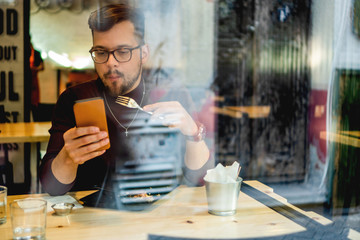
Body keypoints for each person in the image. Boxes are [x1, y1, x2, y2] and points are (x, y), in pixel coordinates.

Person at [40, 4, 212, 199]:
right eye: (101, 52)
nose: (110, 62)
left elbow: (200, 178)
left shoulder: (170, 94)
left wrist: (193, 133)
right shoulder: (75, 98)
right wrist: (68, 157)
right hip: (93, 218)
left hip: (162, 213)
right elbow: (52, 188)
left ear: (144, 53)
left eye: (123, 51)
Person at [29, 40, 44, 121]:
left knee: (35, 102)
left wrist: (34, 69)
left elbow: (42, 67)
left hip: (34, 78)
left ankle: (36, 119)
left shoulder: (37, 53)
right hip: (28, 79)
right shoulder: (24, 52)